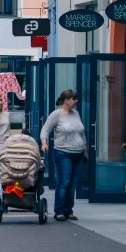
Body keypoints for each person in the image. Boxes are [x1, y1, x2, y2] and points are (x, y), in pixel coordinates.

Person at [40, 89, 88, 221]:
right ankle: (59, 211)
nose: (76, 101)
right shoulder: (57, 115)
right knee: (64, 182)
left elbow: (81, 133)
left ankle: (69, 211)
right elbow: (45, 130)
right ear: (66, 101)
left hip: (78, 154)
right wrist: (44, 143)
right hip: (63, 153)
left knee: (72, 184)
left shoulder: (76, 114)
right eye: (74, 99)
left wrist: (85, 150)